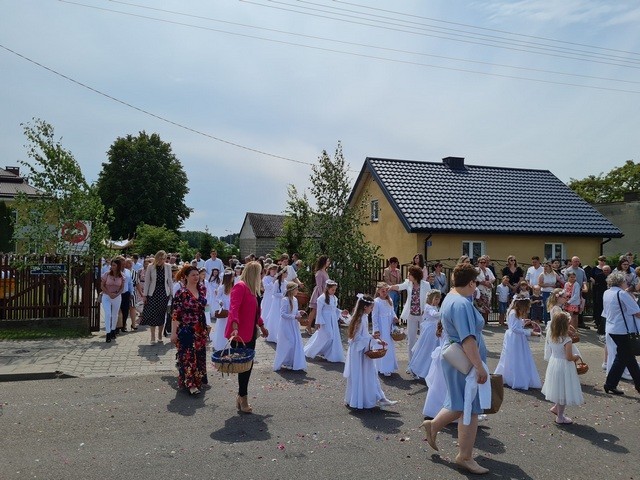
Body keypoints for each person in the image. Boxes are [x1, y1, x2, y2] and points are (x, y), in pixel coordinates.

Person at [420, 263, 490, 475]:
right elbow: (468, 339)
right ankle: (464, 456)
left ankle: (433, 426)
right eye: (475, 283)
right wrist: (479, 367)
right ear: (471, 283)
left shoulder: (451, 297)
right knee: (469, 407)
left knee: (459, 403)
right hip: (463, 361)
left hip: (457, 358)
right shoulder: (461, 303)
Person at [226, 261, 269, 413]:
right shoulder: (240, 286)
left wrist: (262, 325)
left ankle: (241, 396)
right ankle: (243, 397)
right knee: (244, 368)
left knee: (247, 367)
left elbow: (256, 312)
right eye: (260, 273)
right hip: (239, 334)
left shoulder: (253, 290)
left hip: (250, 334)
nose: (261, 276)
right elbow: (233, 308)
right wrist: (235, 326)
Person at [343, 294, 398, 409]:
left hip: (363, 348)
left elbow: (365, 335)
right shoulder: (359, 319)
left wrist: (376, 341)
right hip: (359, 351)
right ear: (365, 307)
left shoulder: (363, 317)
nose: (372, 309)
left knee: (370, 374)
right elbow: (356, 338)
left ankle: (380, 398)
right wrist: (372, 338)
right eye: (371, 307)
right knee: (363, 374)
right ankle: (363, 399)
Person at [541, 311, 585, 424]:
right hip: (564, 366)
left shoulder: (552, 336)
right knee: (564, 390)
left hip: (554, 363)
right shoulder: (567, 340)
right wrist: (577, 356)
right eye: (568, 323)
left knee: (558, 387)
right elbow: (569, 357)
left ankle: (556, 407)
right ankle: (560, 417)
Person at [170, 266, 208, 396]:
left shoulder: (202, 289)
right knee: (188, 356)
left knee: (199, 354)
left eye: (197, 274)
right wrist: (173, 333)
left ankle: (199, 380)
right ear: (186, 276)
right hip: (186, 329)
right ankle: (190, 384)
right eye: (193, 275)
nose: (196, 277)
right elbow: (176, 314)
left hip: (200, 328)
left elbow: (205, 307)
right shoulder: (181, 293)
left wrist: (207, 323)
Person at [602, 271, 640, 395]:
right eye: (625, 281)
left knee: (623, 357)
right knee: (628, 358)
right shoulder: (622, 294)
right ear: (620, 282)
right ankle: (637, 385)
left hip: (611, 327)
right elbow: (636, 311)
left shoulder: (607, 292)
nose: (626, 283)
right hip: (622, 329)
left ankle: (610, 384)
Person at [494, 295, 542, 390]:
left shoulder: (514, 312)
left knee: (518, 356)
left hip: (516, 337)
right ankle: (515, 378)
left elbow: (516, 323)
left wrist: (523, 321)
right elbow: (515, 328)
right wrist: (530, 332)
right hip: (515, 338)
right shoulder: (513, 313)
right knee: (516, 357)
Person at [389, 265, 432, 366]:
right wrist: (390, 287)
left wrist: (426, 310)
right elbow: (399, 286)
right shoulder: (408, 283)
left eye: (410, 274)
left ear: (415, 275)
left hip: (422, 315)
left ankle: (421, 363)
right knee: (411, 339)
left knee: (423, 339)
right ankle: (411, 363)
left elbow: (429, 299)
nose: (408, 275)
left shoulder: (425, 284)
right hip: (411, 315)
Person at [304, 279, 347, 363]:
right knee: (327, 335)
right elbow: (319, 311)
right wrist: (318, 322)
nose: (334, 291)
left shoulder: (334, 298)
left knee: (331, 336)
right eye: (332, 290)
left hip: (332, 320)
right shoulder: (321, 298)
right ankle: (311, 350)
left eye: (335, 290)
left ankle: (327, 352)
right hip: (325, 320)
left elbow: (334, 309)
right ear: (327, 289)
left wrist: (341, 312)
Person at [140, 250, 173, 345]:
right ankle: (152, 336)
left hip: (164, 293)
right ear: (156, 258)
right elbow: (147, 282)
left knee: (161, 314)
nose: (161, 260)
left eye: (163, 258)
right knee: (153, 314)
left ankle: (160, 335)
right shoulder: (150, 267)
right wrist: (145, 295)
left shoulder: (168, 266)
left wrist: (172, 294)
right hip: (153, 294)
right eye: (160, 258)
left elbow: (170, 281)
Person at [408, 290, 441, 380]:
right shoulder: (428, 307)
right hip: (430, 331)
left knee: (433, 349)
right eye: (436, 299)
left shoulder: (435, 307)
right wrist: (445, 312)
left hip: (435, 330)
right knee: (426, 349)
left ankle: (429, 370)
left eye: (439, 299)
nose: (438, 301)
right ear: (431, 298)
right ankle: (416, 368)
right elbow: (434, 314)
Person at [273, 282, 307, 372]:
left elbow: (294, 311)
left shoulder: (295, 299)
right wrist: (294, 317)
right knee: (289, 342)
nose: (297, 291)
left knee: (295, 342)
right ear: (291, 290)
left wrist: (299, 312)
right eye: (296, 289)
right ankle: (286, 361)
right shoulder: (285, 300)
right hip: (286, 325)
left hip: (293, 325)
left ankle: (292, 361)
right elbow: (283, 314)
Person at [372, 282, 399, 377]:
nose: (385, 293)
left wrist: (395, 317)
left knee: (389, 346)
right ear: (378, 291)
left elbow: (392, 311)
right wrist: (376, 329)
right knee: (381, 345)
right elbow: (374, 316)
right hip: (381, 326)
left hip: (388, 326)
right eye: (382, 291)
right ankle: (381, 367)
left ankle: (388, 366)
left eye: (386, 291)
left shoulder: (389, 300)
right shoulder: (376, 301)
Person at [423, 319, 448, 420]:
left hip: (441, 357)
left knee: (438, 384)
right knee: (444, 386)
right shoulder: (449, 330)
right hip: (447, 357)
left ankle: (433, 409)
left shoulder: (441, 329)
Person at [101, 257, 125, 343]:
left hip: (116, 296)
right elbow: (102, 285)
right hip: (106, 296)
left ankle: (113, 330)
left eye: (114, 265)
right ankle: (108, 333)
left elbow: (122, 288)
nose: (112, 267)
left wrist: (116, 294)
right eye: (112, 265)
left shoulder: (122, 276)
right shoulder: (106, 274)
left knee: (115, 314)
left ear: (118, 266)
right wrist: (109, 293)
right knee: (108, 314)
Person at [307, 255, 331, 335]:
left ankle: (318, 327)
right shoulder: (319, 272)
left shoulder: (325, 271)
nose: (329, 262)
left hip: (325, 292)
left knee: (319, 311)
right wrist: (322, 296)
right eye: (327, 261)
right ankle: (308, 326)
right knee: (314, 310)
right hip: (319, 293)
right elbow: (319, 285)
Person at [264, 266, 287, 343]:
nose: (287, 274)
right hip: (277, 302)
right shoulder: (276, 282)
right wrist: (282, 295)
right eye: (286, 272)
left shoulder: (286, 282)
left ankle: (281, 335)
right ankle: (274, 335)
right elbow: (274, 293)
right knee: (276, 317)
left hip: (283, 302)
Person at [212, 269, 234, 351]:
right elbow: (217, 298)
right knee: (223, 325)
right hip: (224, 308)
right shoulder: (222, 287)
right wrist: (221, 302)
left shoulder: (233, 286)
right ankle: (221, 344)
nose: (233, 278)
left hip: (231, 307)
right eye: (232, 277)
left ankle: (230, 344)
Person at [591, 257, 609, 336]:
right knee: (598, 306)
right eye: (601, 260)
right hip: (598, 291)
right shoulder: (596, 271)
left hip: (607, 292)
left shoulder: (610, 274)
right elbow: (591, 277)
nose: (603, 262)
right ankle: (597, 322)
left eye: (604, 260)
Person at [474, 255, 495, 324]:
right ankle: (479, 322)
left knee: (487, 306)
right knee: (480, 306)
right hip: (480, 291)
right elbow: (477, 279)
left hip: (487, 291)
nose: (483, 264)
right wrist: (485, 283)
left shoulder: (488, 269)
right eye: (481, 262)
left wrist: (489, 282)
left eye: (484, 262)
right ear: (478, 263)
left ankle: (485, 321)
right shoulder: (476, 270)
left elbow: (493, 278)